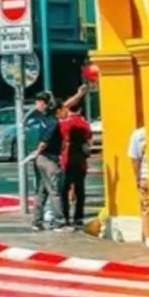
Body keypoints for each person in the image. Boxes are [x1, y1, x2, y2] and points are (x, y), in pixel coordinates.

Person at [24, 90, 64, 231]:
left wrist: (35, 154)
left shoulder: (43, 119)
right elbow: (44, 142)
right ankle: (59, 222)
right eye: (37, 101)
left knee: (41, 191)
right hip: (49, 159)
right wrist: (37, 152)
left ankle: (37, 222)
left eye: (40, 101)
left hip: (40, 159)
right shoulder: (52, 122)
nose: (37, 104)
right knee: (55, 191)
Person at [58, 95, 93, 230]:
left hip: (66, 159)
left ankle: (65, 217)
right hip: (81, 160)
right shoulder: (83, 123)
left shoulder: (63, 123)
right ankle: (78, 218)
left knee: (63, 190)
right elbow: (90, 138)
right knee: (80, 190)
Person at [129, 124, 149, 239]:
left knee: (146, 209)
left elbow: (134, 159)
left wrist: (137, 177)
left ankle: (148, 238)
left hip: (145, 176)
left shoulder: (138, 134)